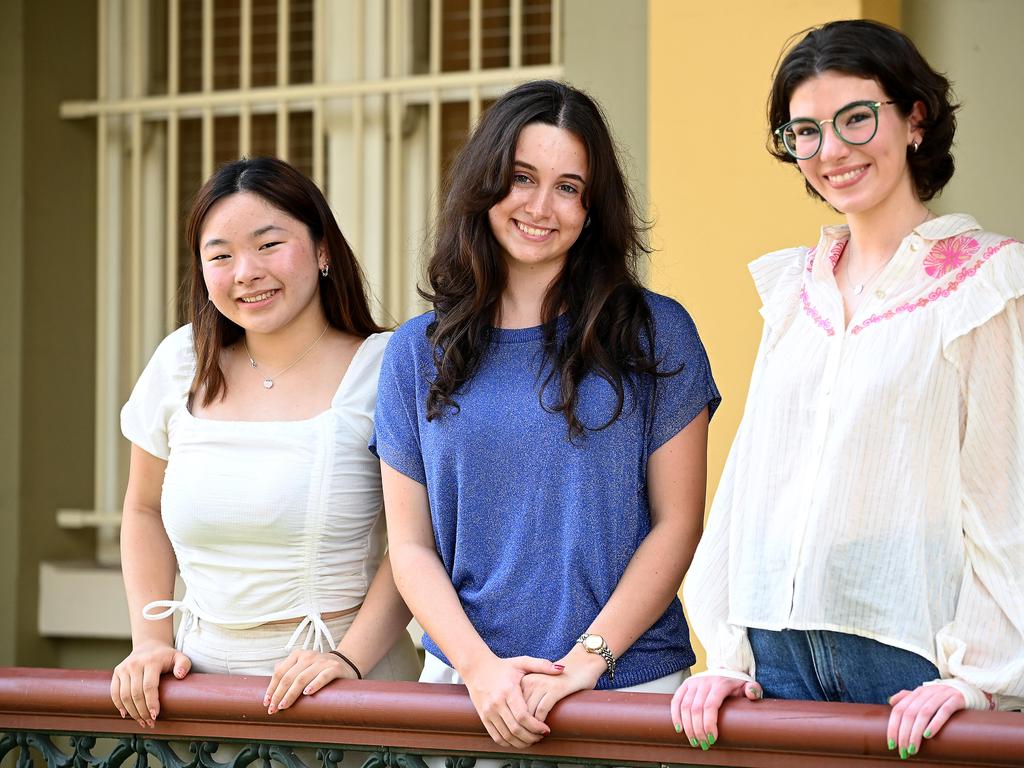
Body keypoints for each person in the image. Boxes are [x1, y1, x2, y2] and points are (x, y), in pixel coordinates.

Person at [671, 19, 1024, 759]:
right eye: (805, 131)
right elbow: (754, 473)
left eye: (855, 118)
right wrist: (729, 652)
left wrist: (983, 678)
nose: (831, 150)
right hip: (775, 650)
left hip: (907, 652)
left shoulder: (985, 282)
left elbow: (1004, 490)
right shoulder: (795, 289)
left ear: (914, 119)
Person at [372, 79, 720, 750]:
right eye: (521, 178)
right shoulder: (418, 353)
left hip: (628, 689)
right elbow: (410, 546)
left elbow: (679, 523)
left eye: (568, 187)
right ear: (485, 186)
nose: (540, 206)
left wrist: (588, 660)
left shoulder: (656, 333)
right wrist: (479, 670)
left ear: (594, 208)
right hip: (469, 695)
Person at [111, 157, 421, 729]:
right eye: (220, 255)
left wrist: (345, 660)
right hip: (197, 698)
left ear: (323, 249)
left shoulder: (387, 367)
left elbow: (419, 543)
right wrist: (150, 641)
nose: (245, 272)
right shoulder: (182, 361)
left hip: (346, 690)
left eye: (268, 245)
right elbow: (143, 507)